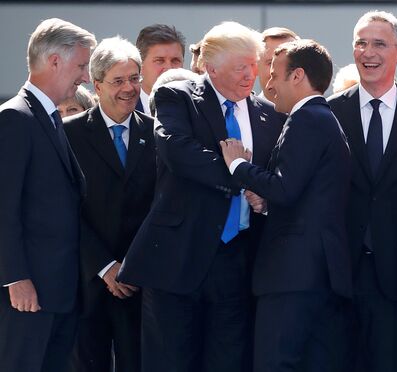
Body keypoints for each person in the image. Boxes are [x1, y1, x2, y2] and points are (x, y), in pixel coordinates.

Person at [118, 21, 285, 372]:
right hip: (178, 256)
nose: (250, 75)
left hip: (238, 258)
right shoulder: (177, 96)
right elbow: (178, 153)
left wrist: (261, 194)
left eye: (254, 65)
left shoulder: (269, 114)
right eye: (241, 67)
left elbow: (274, 180)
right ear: (211, 68)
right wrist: (240, 173)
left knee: (228, 360)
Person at [221, 38, 353, 372]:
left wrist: (238, 166)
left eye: (274, 74)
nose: (268, 84)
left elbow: (285, 186)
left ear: (297, 76)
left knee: (276, 363)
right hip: (313, 274)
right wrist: (266, 206)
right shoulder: (323, 119)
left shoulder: (306, 119)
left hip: (293, 276)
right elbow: (306, 194)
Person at [328, 10, 397, 372]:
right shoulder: (329, 114)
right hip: (338, 275)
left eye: (378, 44)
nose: (367, 52)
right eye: (360, 43)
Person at [0, 18, 95, 372]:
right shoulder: (15, 118)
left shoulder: (50, 117)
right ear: (55, 61)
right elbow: (3, 207)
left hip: (58, 292)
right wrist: (16, 278)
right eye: (82, 65)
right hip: (29, 294)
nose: (85, 77)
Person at [63, 36, 156, 372]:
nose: (129, 89)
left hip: (140, 284)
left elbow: (160, 209)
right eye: (118, 81)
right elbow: (65, 210)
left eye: (135, 79)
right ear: (96, 84)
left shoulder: (157, 135)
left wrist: (131, 266)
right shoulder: (68, 135)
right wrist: (105, 267)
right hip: (88, 283)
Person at [135, 24, 185, 115]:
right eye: (160, 61)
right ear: (140, 66)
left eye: (175, 61)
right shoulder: (124, 109)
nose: (169, 69)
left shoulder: (197, 109)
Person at [257, 27, 298, 102]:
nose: (281, 70)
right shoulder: (246, 112)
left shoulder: (318, 111)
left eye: (289, 62)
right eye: (271, 62)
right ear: (256, 67)